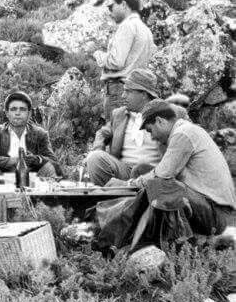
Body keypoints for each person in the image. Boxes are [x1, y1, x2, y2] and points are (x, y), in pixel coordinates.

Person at [93, 99, 236, 252]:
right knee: (142, 170)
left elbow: (162, 176)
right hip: (206, 206)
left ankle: (176, 243)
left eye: (150, 130)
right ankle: (128, 232)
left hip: (217, 215)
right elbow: (159, 172)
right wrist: (135, 180)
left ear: (160, 121)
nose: (152, 137)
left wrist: (127, 184)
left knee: (161, 185)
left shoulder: (183, 134)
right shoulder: (185, 131)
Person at [86, 69, 163, 186]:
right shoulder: (119, 114)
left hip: (154, 173)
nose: (123, 95)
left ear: (143, 94)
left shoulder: (166, 113)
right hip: (125, 171)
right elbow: (102, 133)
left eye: (128, 91)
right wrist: (97, 148)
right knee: (95, 158)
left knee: (145, 169)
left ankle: (126, 195)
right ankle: (116, 195)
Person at [93, 0, 156, 120]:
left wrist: (99, 56)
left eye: (111, 7)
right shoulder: (145, 30)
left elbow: (116, 62)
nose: (110, 12)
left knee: (115, 133)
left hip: (119, 91)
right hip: (137, 92)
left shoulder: (127, 26)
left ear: (123, 4)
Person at [0, 91, 61, 177]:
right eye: (13, 109)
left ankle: (50, 190)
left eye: (22, 109)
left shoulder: (40, 133)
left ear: (29, 114)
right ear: (7, 113)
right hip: (3, 177)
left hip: (32, 179)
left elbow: (54, 162)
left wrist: (37, 159)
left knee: (49, 167)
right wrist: (15, 160)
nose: (17, 113)